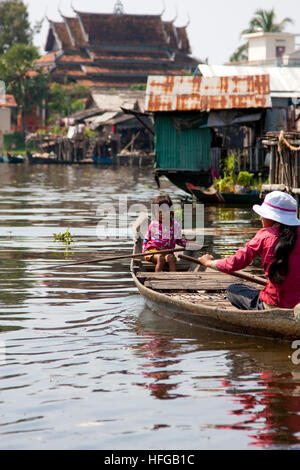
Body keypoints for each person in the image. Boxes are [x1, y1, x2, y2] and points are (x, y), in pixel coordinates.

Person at [198, 191, 300, 310]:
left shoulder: (264, 236)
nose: (260, 217)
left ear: (271, 218)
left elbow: (236, 262)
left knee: (233, 289)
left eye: (263, 214)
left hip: (272, 305)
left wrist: (208, 263)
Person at [143, 195, 186, 272]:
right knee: (160, 258)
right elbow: (146, 239)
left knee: (171, 258)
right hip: (153, 251)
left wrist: (188, 245)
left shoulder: (175, 225)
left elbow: (179, 240)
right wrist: (144, 251)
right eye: (158, 212)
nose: (161, 214)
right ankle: (157, 278)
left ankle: (174, 278)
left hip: (167, 252)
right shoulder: (153, 224)